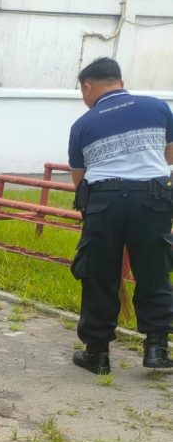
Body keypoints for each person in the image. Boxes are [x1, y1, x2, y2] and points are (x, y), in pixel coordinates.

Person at [68, 57, 173, 374]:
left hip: (104, 202)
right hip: (152, 199)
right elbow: (168, 156)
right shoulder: (158, 107)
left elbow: (79, 178)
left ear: (89, 86)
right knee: (154, 271)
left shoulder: (83, 125)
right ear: (119, 81)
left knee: (99, 276)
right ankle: (156, 348)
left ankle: (97, 354)